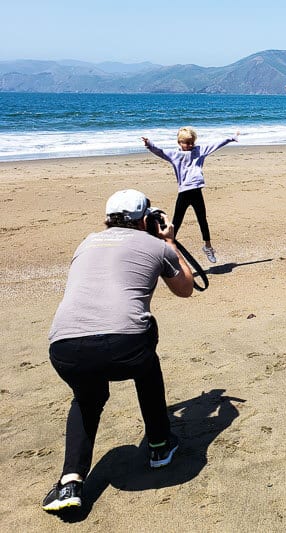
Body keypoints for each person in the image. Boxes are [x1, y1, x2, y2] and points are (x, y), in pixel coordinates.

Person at [42, 189, 194, 514]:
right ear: (145, 220)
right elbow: (185, 289)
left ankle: (70, 481)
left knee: (87, 398)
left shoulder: (86, 242)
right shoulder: (154, 244)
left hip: (64, 348)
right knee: (146, 360)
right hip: (126, 346)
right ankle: (159, 445)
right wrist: (168, 241)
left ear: (106, 220)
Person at [142, 127, 238, 264]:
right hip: (184, 193)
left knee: (202, 220)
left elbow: (215, 145)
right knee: (176, 222)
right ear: (179, 142)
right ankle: (165, 248)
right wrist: (149, 144)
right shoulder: (174, 155)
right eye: (187, 143)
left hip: (197, 191)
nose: (190, 145)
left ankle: (208, 246)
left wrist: (230, 138)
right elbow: (160, 151)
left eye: (192, 142)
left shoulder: (199, 151)